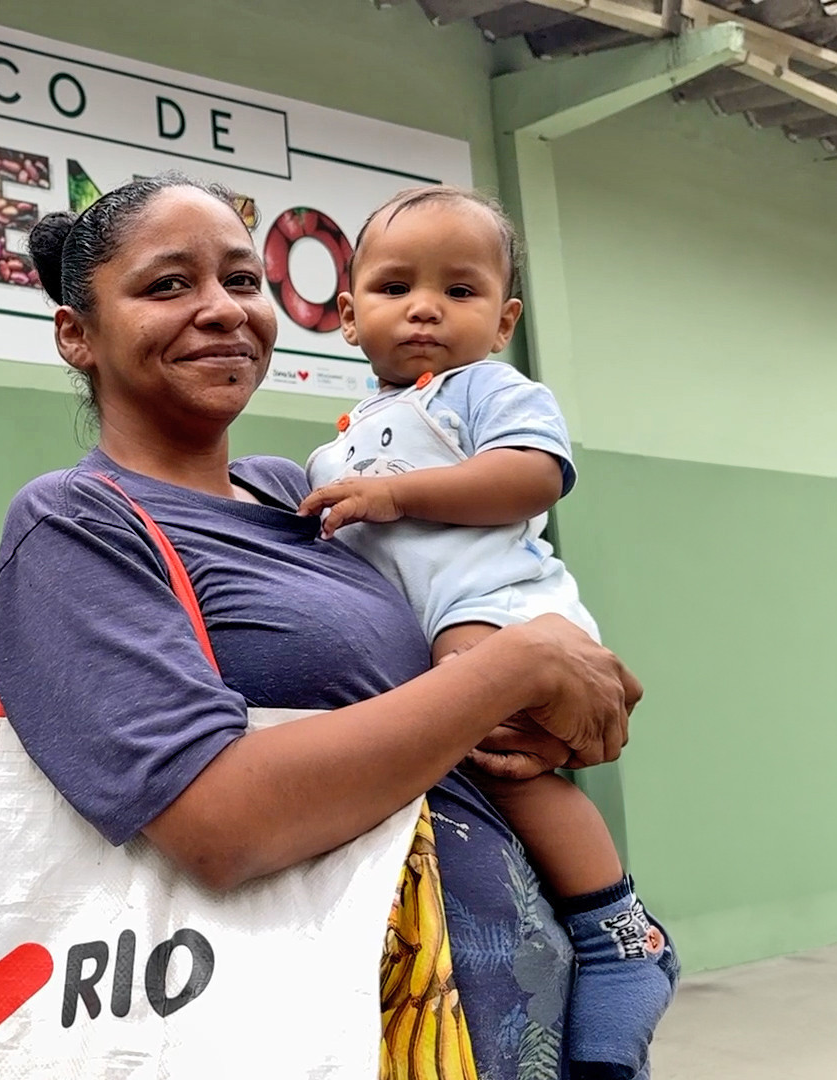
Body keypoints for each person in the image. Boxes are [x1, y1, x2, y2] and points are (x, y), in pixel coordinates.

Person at [0, 172, 648, 1079]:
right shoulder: (76, 525)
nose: (222, 310)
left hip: (510, 1006)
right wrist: (514, 669)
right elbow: (218, 825)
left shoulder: (306, 496)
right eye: (168, 285)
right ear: (77, 334)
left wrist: (558, 704)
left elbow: (474, 659)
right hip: (346, 1029)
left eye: (242, 281)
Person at [298, 185, 677, 1079]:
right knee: (481, 771)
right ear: (349, 315)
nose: (426, 306)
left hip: (499, 612)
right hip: (429, 634)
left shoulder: (484, 390)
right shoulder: (334, 449)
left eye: (460, 292)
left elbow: (533, 476)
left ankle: (619, 934)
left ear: (503, 320)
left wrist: (395, 495)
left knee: (509, 764)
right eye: (395, 287)